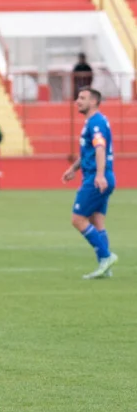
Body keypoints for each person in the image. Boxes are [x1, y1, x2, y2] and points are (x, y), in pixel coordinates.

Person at [62, 88, 119, 279]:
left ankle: (106, 256)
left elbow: (100, 148)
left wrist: (100, 175)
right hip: (101, 175)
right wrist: (73, 168)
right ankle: (106, 268)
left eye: (82, 98)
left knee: (77, 219)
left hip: (96, 177)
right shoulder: (95, 122)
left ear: (94, 102)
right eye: (78, 97)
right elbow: (90, 152)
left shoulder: (96, 122)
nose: (77, 101)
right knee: (97, 221)